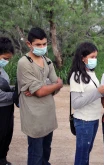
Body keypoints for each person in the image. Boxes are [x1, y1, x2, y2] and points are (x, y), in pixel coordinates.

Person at [17, 27, 63, 165]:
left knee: (46, 151)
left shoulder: (47, 61)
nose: (42, 47)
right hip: (34, 118)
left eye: (44, 44)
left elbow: (52, 86)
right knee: (35, 155)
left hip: (48, 116)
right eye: (38, 44)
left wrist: (48, 86)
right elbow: (41, 91)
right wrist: (53, 86)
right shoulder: (24, 63)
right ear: (29, 44)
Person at [67, 42, 104, 165]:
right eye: (92, 57)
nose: (94, 60)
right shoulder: (77, 76)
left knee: (86, 153)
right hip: (84, 121)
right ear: (82, 58)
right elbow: (76, 103)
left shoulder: (91, 73)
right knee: (82, 156)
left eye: (96, 57)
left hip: (94, 119)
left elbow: (94, 94)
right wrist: (97, 92)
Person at [0, 37, 15, 165]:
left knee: (6, 135)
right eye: (5, 58)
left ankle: (2, 158)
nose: (6, 61)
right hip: (1, 109)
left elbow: (5, 87)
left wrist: (15, 88)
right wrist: (16, 95)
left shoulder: (2, 70)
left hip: (7, 108)